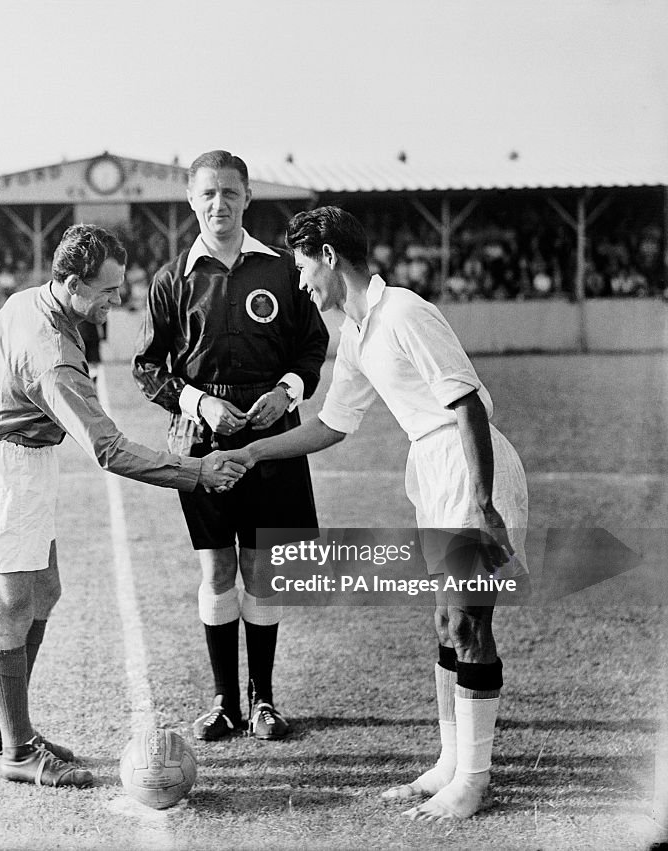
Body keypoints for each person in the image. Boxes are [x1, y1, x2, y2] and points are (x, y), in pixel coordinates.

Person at [219, 206, 529, 820]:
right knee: (446, 624)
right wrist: (256, 449)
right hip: (432, 467)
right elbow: (333, 425)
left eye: (305, 267)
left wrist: (485, 502)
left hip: (468, 464)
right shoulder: (357, 335)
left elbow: (466, 403)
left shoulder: (405, 311)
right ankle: (449, 764)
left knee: (470, 624)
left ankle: (474, 780)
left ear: (330, 256)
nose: (302, 283)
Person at [0, 224, 245, 789]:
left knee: (44, 591)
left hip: (22, 461)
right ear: (70, 281)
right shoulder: (52, 355)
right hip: (2, 468)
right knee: (11, 607)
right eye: (106, 291)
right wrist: (196, 471)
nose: (116, 300)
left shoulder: (31, 300)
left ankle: (2, 722)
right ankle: (16, 749)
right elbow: (107, 449)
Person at [133, 150, 329, 743]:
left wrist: (289, 390)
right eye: (208, 195)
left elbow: (311, 347)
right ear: (192, 202)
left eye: (230, 193)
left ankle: (263, 699)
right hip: (202, 439)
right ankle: (224, 700)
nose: (219, 204)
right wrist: (197, 402)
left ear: (248, 198)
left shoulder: (281, 271)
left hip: (272, 433)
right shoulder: (171, 280)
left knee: (261, 567)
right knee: (219, 564)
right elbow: (147, 368)